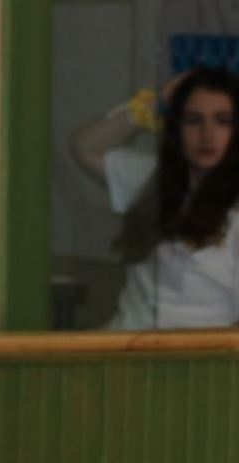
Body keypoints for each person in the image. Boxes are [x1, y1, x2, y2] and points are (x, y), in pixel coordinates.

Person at [72, 67, 239, 329]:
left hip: (198, 348)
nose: (207, 135)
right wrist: (153, 104)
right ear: (177, 127)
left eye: (222, 121)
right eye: (193, 120)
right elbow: (85, 148)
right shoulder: (151, 179)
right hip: (124, 340)